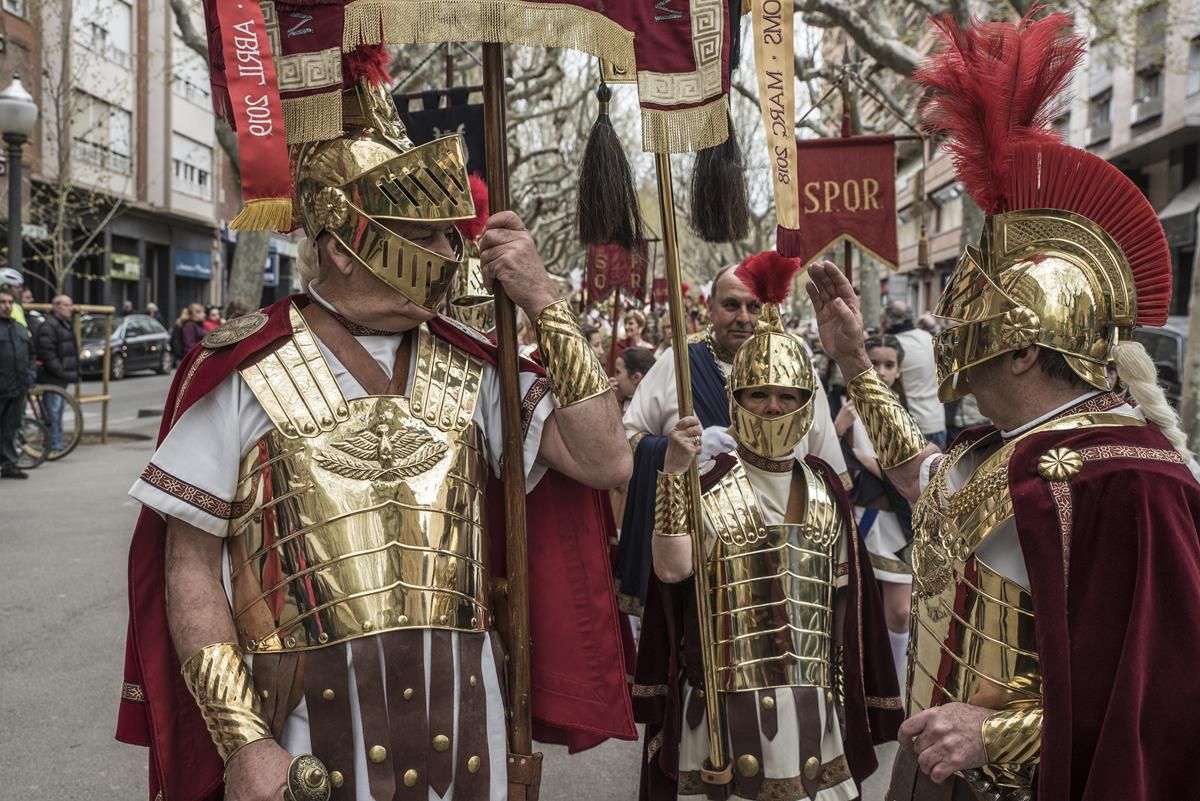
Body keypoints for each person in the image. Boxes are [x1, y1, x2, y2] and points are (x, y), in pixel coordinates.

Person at [118, 48, 636, 801]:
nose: (449, 252)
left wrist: (542, 300)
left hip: (466, 719)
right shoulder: (243, 368)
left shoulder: (476, 364)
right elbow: (190, 565)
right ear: (340, 244)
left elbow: (607, 459)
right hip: (299, 720)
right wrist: (242, 739)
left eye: (448, 234)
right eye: (422, 234)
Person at [807, 12, 1200, 801]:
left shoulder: (1129, 473)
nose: (949, 329)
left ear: (1024, 347)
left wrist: (1000, 731)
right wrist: (852, 361)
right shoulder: (1002, 443)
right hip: (934, 769)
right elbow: (925, 478)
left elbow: (1167, 689)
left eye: (968, 317)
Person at [633, 253, 900, 801]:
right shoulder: (679, 367)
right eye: (758, 395)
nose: (773, 408)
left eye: (787, 396)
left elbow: (845, 605)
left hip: (809, 688)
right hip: (722, 686)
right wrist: (674, 466)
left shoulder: (822, 482)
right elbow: (670, 562)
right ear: (710, 307)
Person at [614, 255, 849, 617]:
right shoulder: (679, 358)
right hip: (701, 545)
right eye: (730, 305)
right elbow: (628, 440)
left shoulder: (794, 358)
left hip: (786, 539)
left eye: (753, 306)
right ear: (710, 308)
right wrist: (680, 450)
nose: (743, 317)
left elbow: (824, 463)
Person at [834, 334, 913, 685]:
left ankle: (896, 689)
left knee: (900, 612)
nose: (880, 371)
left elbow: (916, 471)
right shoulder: (841, 407)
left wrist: (874, 464)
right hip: (852, 520)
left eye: (888, 365)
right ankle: (855, 689)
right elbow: (821, 461)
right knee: (851, 612)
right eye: (874, 363)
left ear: (898, 371)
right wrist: (838, 431)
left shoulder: (904, 415)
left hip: (894, 525)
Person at [882, 300, 945, 448]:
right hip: (936, 422)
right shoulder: (929, 338)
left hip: (908, 427)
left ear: (886, 321)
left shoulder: (891, 347)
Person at [35, 294, 79, 453]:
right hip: (52, 377)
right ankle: (52, 443)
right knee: (52, 412)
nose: (70, 308)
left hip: (60, 377)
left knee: (57, 411)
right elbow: (47, 352)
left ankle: (55, 441)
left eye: (70, 305)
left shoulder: (64, 324)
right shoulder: (50, 325)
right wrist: (59, 370)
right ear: (56, 307)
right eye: (66, 305)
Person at [0, 288, 35, 478]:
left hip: (18, 387)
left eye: (9, 302)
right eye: (2, 302)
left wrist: (30, 376)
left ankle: (9, 464)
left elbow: (31, 354)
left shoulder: (20, 328)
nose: (6, 306)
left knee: (11, 428)